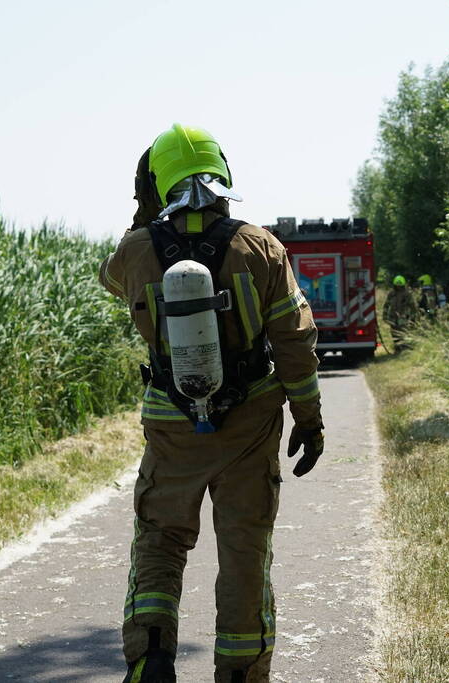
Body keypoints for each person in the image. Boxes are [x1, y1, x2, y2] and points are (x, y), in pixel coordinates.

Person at [99, 124, 324, 683]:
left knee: (161, 537)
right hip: (249, 423)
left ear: (158, 183)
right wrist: (309, 418)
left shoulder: (134, 252)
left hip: (171, 424)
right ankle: (241, 672)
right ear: (222, 175)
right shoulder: (261, 246)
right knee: (245, 550)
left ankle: (151, 655)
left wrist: (145, 218)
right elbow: (295, 340)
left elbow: (112, 279)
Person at [382, 275, 418, 352]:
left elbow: (413, 307)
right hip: (392, 317)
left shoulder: (407, 294)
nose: (399, 287)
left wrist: (413, 318)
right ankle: (397, 348)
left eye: (400, 286)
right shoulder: (391, 294)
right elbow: (386, 305)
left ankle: (404, 348)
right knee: (394, 333)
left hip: (403, 317)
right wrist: (384, 316)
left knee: (403, 332)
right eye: (397, 286)